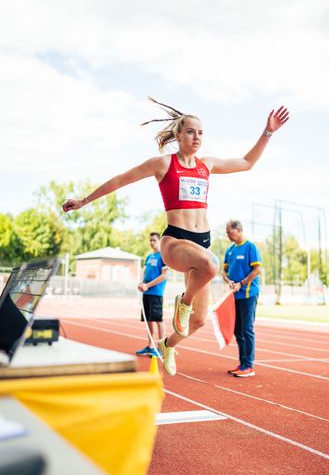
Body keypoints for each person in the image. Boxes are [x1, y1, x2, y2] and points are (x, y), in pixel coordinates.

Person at [62, 97, 289, 376]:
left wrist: (268, 132)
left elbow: (246, 162)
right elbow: (121, 179)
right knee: (211, 264)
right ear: (178, 135)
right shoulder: (162, 164)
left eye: (201, 133)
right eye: (191, 132)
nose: (197, 137)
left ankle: (167, 344)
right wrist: (84, 201)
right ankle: (183, 300)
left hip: (202, 243)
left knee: (198, 322)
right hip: (176, 241)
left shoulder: (208, 165)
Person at [222, 220, 262, 377]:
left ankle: (249, 365)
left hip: (248, 293)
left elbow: (257, 269)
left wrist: (242, 283)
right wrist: (229, 281)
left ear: (238, 230)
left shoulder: (250, 247)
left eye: (229, 232)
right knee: (237, 330)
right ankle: (242, 363)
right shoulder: (230, 250)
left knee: (247, 329)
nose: (227, 235)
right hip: (234, 294)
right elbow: (224, 272)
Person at [136, 232, 168, 358]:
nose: (152, 242)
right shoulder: (149, 257)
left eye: (154, 240)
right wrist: (141, 283)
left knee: (158, 320)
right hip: (146, 292)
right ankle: (150, 346)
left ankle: (162, 348)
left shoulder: (163, 256)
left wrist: (148, 285)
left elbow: (164, 276)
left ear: (160, 241)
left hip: (156, 293)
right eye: (150, 240)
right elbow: (144, 273)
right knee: (148, 320)